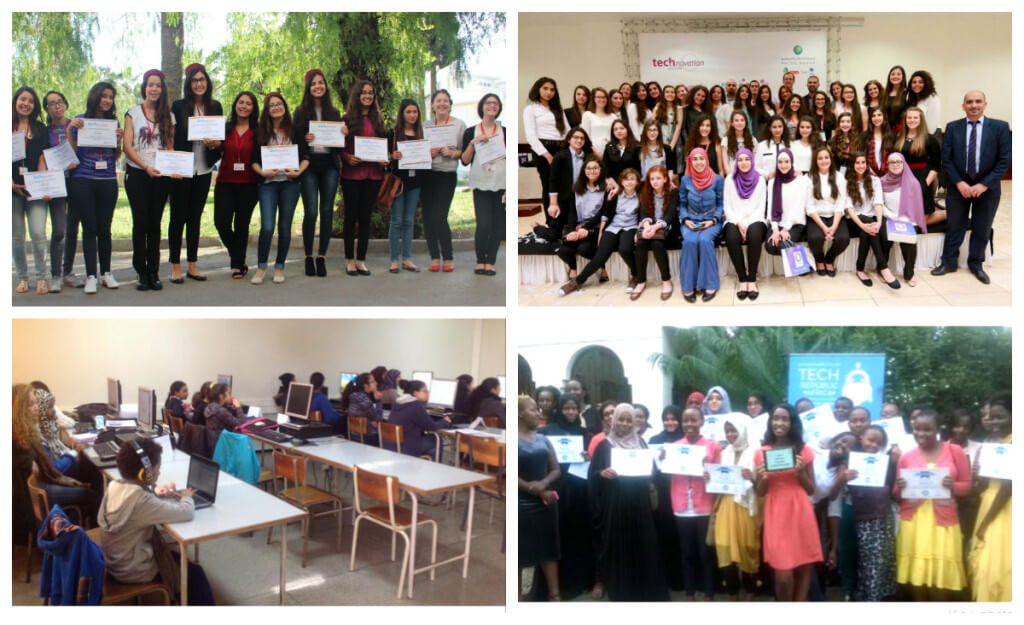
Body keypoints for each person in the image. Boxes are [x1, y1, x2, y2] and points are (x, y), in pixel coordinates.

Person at [98, 438, 215, 605]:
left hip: (116, 562)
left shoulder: (115, 486)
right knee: (195, 573)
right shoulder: (140, 501)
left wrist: (154, 492)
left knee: (174, 552)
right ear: (145, 472)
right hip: (133, 570)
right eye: (157, 469)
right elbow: (186, 512)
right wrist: (187, 497)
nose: (159, 473)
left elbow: (138, 501)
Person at [587, 403, 669, 601]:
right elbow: (592, 476)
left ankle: (644, 587)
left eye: (628, 420)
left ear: (635, 423)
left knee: (642, 545)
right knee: (619, 546)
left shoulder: (642, 444)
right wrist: (602, 473)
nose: (624, 423)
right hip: (616, 505)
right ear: (614, 420)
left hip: (640, 505)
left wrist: (652, 470)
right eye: (620, 419)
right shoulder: (605, 445)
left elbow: (653, 475)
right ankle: (622, 589)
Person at [931, 91, 1011, 284]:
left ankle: (976, 264)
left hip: (988, 188)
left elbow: (1004, 160)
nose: (973, 105)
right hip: (959, 186)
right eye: (969, 102)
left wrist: (983, 184)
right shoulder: (952, 127)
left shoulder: (1000, 127)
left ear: (985, 104)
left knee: (981, 228)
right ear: (963, 106)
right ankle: (949, 262)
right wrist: (960, 183)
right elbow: (946, 160)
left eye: (978, 101)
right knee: (954, 226)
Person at [893, 409, 970, 600]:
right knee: (916, 576)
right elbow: (896, 493)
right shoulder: (906, 456)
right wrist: (900, 487)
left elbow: (967, 486)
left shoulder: (955, 451)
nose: (921, 434)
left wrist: (953, 487)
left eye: (927, 429)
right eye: (917, 429)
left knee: (941, 576)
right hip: (914, 521)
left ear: (938, 429)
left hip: (943, 522)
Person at [754, 403, 822, 601]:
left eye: (785, 419)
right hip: (776, 513)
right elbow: (760, 492)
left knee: (803, 566)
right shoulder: (761, 453)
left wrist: (800, 473)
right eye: (776, 418)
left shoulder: (804, 451)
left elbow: (811, 489)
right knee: (783, 575)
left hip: (800, 510)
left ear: (792, 423)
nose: (779, 423)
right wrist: (762, 478)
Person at [13, 384, 99, 527]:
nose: (36, 407)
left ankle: (78, 527)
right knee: (92, 495)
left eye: (36, 402)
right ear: (19, 408)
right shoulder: (18, 434)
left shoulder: (28, 428)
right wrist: (27, 462)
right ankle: (91, 536)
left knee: (90, 468)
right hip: (40, 490)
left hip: (43, 482)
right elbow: (52, 468)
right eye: (30, 404)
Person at [124, 70, 178, 292]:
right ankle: (141, 271)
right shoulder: (132, 114)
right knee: (141, 223)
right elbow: (126, 146)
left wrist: (172, 167)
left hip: (160, 176)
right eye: (150, 85)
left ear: (162, 89)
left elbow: (170, 147)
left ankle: (154, 271)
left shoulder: (169, 116)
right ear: (144, 87)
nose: (154, 89)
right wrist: (145, 166)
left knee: (155, 225)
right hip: (138, 173)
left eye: (158, 85)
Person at [168, 63, 222, 284]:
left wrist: (214, 143)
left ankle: (192, 265)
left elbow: (220, 141)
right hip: (182, 168)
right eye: (194, 80)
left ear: (207, 83)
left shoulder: (215, 106)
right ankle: (174, 266)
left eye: (202, 80)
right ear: (189, 84)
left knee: (195, 218)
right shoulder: (178, 105)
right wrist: (171, 164)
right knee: (177, 217)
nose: (199, 84)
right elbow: (170, 137)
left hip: (204, 168)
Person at [536, 393, 594, 599]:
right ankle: (553, 587)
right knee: (555, 536)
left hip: (577, 491)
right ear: (559, 409)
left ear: (579, 410)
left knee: (577, 535)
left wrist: (588, 457)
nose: (570, 412)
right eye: (566, 408)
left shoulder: (584, 433)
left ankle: (577, 582)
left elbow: (591, 463)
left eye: (573, 408)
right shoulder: (547, 432)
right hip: (555, 489)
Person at [250, 92, 308, 285]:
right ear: (267, 110)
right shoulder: (261, 132)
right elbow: (254, 162)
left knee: (284, 227)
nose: (276, 107)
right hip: (268, 184)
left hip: (290, 184)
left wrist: (298, 172)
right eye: (271, 105)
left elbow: (306, 157)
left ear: (284, 106)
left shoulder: (296, 131)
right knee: (267, 226)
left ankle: (279, 266)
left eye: (279, 104)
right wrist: (263, 173)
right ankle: (260, 267)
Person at [557, 168, 640, 296]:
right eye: (626, 179)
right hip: (613, 227)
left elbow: (643, 215)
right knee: (600, 257)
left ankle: (635, 276)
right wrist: (601, 232)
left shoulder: (641, 196)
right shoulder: (614, 195)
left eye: (632, 179)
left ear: (637, 182)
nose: (629, 182)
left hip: (630, 227)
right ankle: (577, 282)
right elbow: (605, 215)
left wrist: (638, 231)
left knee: (625, 249)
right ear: (621, 182)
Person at [294, 69, 344, 277]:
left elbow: (339, 147)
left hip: (329, 165)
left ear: (325, 86)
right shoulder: (300, 111)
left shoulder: (334, 113)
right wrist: (304, 137)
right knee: (311, 211)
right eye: (314, 84)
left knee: (326, 211)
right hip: (309, 165)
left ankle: (321, 256)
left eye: (321, 83)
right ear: (308, 88)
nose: (317, 86)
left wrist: (343, 134)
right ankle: (307, 255)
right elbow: (294, 139)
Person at [839, 425, 899, 601]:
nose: (874, 445)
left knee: (879, 558)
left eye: (878, 443)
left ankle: (877, 595)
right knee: (865, 558)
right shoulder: (850, 461)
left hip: (881, 516)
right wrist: (844, 478)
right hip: (861, 517)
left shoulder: (886, 462)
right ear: (861, 439)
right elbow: (836, 492)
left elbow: (892, 489)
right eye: (870, 440)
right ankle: (865, 594)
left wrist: (894, 465)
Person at [667, 407, 721, 600]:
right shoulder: (675, 446)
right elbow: (668, 472)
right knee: (687, 552)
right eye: (686, 420)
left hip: (704, 506)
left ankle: (708, 592)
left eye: (693, 420)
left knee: (706, 553)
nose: (689, 424)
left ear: (702, 422)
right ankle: (689, 592)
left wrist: (710, 472)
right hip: (682, 507)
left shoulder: (712, 446)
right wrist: (665, 460)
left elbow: (720, 476)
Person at [340, 80, 387, 276]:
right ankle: (349, 260)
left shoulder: (379, 120)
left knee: (365, 218)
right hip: (352, 174)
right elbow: (337, 145)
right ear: (357, 96)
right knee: (351, 217)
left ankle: (361, 260)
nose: (367, 96)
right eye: (364, 93)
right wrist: (347, 157)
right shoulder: (346, 119)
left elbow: (384, 145)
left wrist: (384, 159)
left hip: (373, 175)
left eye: (371, 93)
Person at [967, 398, 1011, 602]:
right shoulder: (992, 443)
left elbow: (1008, 487)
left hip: (1006, 508)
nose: (994, 422)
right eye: (991, 417)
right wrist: (978, 474)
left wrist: (985, 523)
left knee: (997, 562)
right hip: (989, 501)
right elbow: (983, 484)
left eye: (1000, 417)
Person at [714, 414, 761, 601]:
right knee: (724, 546)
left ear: (743, 430)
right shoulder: (725, 453)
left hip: (747, 506)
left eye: (734, 430)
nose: (731, 435)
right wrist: (710, 478)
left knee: (748, 548)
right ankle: (732, 593)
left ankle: (749, 591)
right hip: (727, 504)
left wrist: (752, 477)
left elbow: (764, 486)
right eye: (727, 431)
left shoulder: (756, 452)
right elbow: (720, 481)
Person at [518, 396, 561, 601]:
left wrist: (544, 484)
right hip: (520, 502)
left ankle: (555, 595)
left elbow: (556, 470)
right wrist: (532, 488)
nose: (538, 413)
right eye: (533, 409)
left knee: (548, 550)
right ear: (519, 413)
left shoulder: (543, 439)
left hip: (545, 501)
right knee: (519, 552)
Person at [12, 86, 54, 295]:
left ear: (35, 106)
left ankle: (41, 277)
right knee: (17, 236)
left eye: (30, 101)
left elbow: (42, 158)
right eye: (22, 99)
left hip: (34, 189)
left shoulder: (40, 129)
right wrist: (11, 183)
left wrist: (41, 183)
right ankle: (22, 278)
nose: (26, 104)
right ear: (15, 101)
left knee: (38, 233)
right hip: (11, 189)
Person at [213, 91, 259, 279]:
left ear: (253, 108)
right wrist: (213, 144)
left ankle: (237, 265)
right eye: (241, 102)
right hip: (225, 181)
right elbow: (216, 147)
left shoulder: (259, 131)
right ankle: (238, 256)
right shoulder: (224, 129)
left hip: (249, 184)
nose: (244, 106)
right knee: (221, 223)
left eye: (248, 103)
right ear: (235, 105)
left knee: (242, 224)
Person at [422, 89, 466, 273]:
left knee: (439, 216)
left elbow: (465, 153)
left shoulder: (459, 125)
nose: (442, 104)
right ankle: (434, 256)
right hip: (427, 174)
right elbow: (416, 151)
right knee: (427, 217)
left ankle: (448, 256)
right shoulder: (425, 126)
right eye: (438, 100)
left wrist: (453, 153)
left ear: (450, 103)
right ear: (432, 104)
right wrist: (427, 153)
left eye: (445, 100)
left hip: (447, 174)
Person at [462, 93, 506, 276]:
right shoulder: (471, 131)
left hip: (501, 183)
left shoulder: (505, 132)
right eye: (488, 103)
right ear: (481, 107)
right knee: (483, 224)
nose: (492, 106)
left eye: (495, 103)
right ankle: (480, 260)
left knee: (497, 224)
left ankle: (491, 261)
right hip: (481, 183)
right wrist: (473, 143)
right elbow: (464, 160)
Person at [845, 152, 901, 288]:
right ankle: (883, 268)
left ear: (867, 164)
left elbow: (878, 203)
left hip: (871, 217)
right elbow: (849, 209)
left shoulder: (875, 180)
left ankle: (860, 269)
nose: (860, 165)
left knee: (870, 232)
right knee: (869, 229)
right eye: (857, 163)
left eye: (863, 162)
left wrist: (879, 223)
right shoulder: (846, 182)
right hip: (853, 219)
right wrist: (863, 225)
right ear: (852, 165)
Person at [678, 147, 723, 303]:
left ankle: (710, 284)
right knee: (689, 242)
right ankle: (688, 285)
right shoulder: (685, 180)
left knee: (704, 240)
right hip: (691, 220)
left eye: (701, 158)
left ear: (707, 160)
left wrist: (713, 220)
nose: (698, 162)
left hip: (711, 220)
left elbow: (721, 204)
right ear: (690, 161)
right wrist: (685, 220)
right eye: (695, 159)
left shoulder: (717, 179)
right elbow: (682, 204)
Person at [648, 405, 685, 592]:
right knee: (663, 535)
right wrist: (658, 458)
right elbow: (650, 469)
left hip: (681, 491)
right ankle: (664, 578)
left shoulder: (685, 440)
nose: (670, 422)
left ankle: (680, 579)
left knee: (680, 536)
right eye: (666, 419)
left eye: (674, 419)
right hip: (662, 492)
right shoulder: (655, 440)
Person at [387, 98, 425, 273]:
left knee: (409, 222)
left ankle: (407, 259)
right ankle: (394, 259)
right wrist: (392, 156)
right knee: (396, 221)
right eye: (408, 112)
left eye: (415, 112)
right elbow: (385, 160)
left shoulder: (422, 134)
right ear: (402, 114)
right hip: (398, 183)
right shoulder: (393, 134)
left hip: (415, 183)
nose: (412, 115)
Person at [723, 148, 767, 300]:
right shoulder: (729, 179)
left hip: (755, 219)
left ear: (752, 161)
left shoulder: (760, 180)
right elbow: (727, 206)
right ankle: (742, 278)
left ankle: (752, 278)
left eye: (747, 159)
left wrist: (747, 224)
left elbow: (761, 207)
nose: (744, 163)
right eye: (740, 160)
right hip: (734, 219)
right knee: (731, 236)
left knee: (754, 235)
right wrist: (738, 223)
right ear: (736, 162)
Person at [41, 90, 74, 292]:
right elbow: (42, 158)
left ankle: (68, 271)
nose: (56, 106)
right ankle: (55, 274)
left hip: (77, 181)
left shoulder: (76, 126)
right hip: (55, 184)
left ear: (65, 103)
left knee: (73, 229)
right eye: (51, 103)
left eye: (59, 101)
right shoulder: (44, 132)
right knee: (59, 230)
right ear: (47, 108)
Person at [524, 78, 569, 226]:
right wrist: (546, 154)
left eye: (552, 89)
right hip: (543, 149)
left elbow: (567, 131)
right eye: (545, 88)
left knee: (564, 184)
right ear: (538, 89)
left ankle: (565, 220)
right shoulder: (531, 109)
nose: (549, 92)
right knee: (550, 185)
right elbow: (531, 136)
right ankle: (552, 221)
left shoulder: (558, 109)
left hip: (562, 147)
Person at [555, 155, 605, 280]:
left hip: (596, 226)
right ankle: (573, 268)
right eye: (588, 168)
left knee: (584, 249)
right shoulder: (576, 188)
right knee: (563, 250)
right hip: (578, 225)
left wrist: (586, 228)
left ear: (600, 170)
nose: (592, 171)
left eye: (595, 168)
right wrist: (572, 230)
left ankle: (602, 266)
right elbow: (572, 212)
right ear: (584, 171)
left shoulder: (606, 188)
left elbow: (603, 213)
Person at [881, 152, 928, 285]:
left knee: (910, 240)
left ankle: (909, 273)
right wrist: (892, 216)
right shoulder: (882, 182)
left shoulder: (913, 183)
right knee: (884, 236)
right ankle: (884, 270)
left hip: (908, 219)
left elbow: (916, 207)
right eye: (892, 162)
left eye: (898, 162)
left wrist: (905, 220)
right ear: (888, 165)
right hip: (889, 217)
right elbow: (880, 205)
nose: (895, 165)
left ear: (904, 163)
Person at [632, 165, 677, 301]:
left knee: (657, 243)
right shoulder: (646, 192)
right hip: (650, 226)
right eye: (652, 179)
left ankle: (666, 281)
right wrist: (646, 227)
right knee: (640, 243)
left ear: (665, 179)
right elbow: (643, 213)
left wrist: (655, 227)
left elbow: (670, 215)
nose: (655, 181)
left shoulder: (673, 192)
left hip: (667, 227)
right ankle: (641, 281)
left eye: (658, 178)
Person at [804, 146, 849, 276]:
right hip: (816, 215)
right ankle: (819, 259)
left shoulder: (839, 177)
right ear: (815, 161)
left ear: (831, 159)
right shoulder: (810, 178)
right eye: (820, 158)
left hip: (835, 215)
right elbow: (809, 206)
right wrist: (824, 228)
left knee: (843, 239)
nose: (824, 161)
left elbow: (840, 203)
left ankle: (829, 259)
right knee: (815, 238)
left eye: (826, 157)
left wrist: (834, 226)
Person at [896, 107, 943, 224]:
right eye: (909, 118)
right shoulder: (898, 139)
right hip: (903, 177)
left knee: (922, 220)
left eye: (915, 117)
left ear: (921, 120)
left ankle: (947, 213)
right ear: (905, 120)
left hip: (922, 177)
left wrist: (926, 182)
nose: (912, 120)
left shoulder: (930, 139)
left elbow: (936, 165)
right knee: (907, 215)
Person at [763, 149, 809, 259]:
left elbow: (798, 208)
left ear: (792, 162)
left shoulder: (800, 181)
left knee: (783, 245)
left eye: (787, 162)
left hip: (795, 223)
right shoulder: (772, 182)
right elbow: (770, 207)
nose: (783, 165)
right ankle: (799, 258)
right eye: (780, 162)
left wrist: (784, 230)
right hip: (777, 222)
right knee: (770, 246)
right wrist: (775, 230)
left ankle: (805, 262)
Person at [388, 380, 451, 459]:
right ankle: (434, 468)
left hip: (392, 445)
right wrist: (444, 421)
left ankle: (423, 464)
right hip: (405, 447)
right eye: (425, 391)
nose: (428, 393)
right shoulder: (415, 405)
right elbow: (431, 426)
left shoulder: (398, 402)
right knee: (437, 440)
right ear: (415, 393)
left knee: (432, 446)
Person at [547, 127, 592, 238]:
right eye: (576, 137)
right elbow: (553, 180)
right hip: (564, 198)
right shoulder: (560, 156)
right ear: (569, 140)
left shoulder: (588, 157)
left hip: (582, 197)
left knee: (574, 230)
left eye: (582, 138)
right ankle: (536, 227)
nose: (579, 140)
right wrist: (553, 203)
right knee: (554, 235)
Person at [341, 372, 383, 442]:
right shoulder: (365, 401)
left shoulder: (353, 396)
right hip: (367, 438)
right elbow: (378, 421)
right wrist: (378, 401)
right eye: (373, 382)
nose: (376, 383)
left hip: (354, 436)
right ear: (366, 386)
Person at [581, 87, 616, 158]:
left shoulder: (613, 116)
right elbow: (585, 136)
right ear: (594, 99)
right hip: (593, 151)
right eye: (599, 97)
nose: (602, 100)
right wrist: (596, 153)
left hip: (610, 151)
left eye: (604, 97)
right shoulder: (588, 115)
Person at [721, 109, 756, 174]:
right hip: (732, 175)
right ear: (732, 123)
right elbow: (725, 163)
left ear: (746, 123)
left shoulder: (753, 140)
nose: (739, 123)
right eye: (736, 120)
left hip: (749, 176)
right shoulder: (725, 140)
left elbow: (754, 161)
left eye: (742, 120)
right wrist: (731, 178)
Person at [907, 71, 941, 135]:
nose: (917, 84)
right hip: (919, 134)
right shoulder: (915, 99)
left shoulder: (932, 97)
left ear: (926, 84)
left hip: (931, 135)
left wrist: (926, 138)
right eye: (914, 82)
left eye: (920, 82)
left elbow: (932, 123)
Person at [882, 65, 908, 134]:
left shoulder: (908, 93)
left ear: (903, 77)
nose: (895, 76)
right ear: (889, 77)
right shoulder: (885, 93)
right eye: (892, 74)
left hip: (902, 132)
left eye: (898, 74)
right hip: (886, 132)